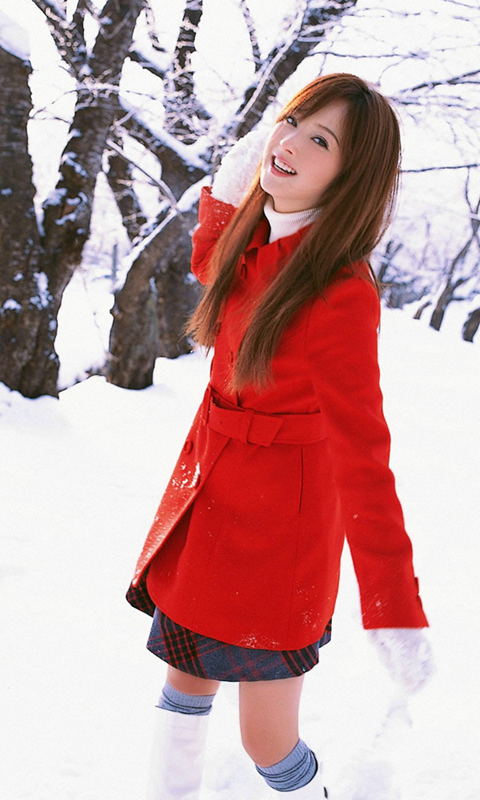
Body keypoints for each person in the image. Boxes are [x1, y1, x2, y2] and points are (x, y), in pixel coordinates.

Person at [126, 73, 433, 799]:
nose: (290, 143)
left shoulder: (340, 291)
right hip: (208, 499)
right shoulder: (257, 235)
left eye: (319, 139)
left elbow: (364, 457)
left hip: (278, 537)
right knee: (183, 682)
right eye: (291, 121)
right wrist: (237, 181)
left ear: (350, 176)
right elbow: (212, 263)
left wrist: (393, 607)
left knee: (265, 737)